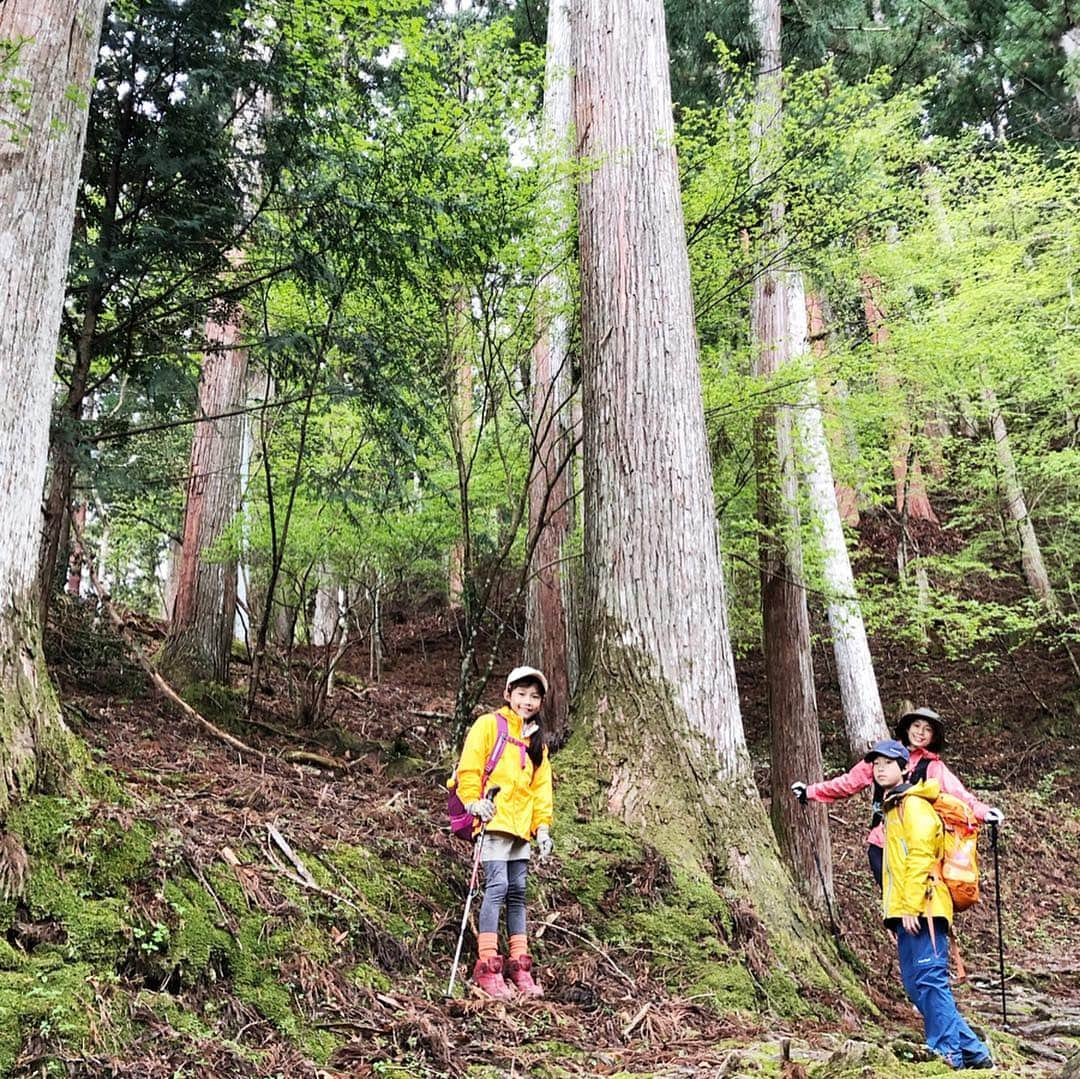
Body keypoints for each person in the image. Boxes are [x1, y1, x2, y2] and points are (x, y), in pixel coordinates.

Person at [870, 739, 994, 1070]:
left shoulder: (914, 804)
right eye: (876, 764)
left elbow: (923, 857)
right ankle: (974, 1051)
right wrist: (897, 912)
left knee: (929, 978)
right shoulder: (893, 806)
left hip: (924, 907)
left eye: (887, 763)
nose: (880, 768)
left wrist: (910, 906)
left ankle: (947, 1053)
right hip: (905, 910)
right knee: (915, 984)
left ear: (904, 768)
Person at [791, 706, 1004, 888]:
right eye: (917, 726)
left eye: (927, 729)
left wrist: (985, 813)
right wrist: (810, 791)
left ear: (933, 737)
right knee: (892, 901)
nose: (921, 733)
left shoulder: (933, 767)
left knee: (914, 902)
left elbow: (959, 797)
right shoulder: (883, 756)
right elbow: (849, 782)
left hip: (915, 848)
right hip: (881, 843)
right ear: (908, 728)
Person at [454, 665, 554, 999]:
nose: (527, 701)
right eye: (522, 694)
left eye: (534, 696)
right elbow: (469, 767)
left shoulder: (536, 742)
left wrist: (542, 828)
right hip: (493, 820)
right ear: (508, 693)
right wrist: (472, 802)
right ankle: (487, 966)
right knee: (497, 887)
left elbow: (541, 790)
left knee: (518, 893)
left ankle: (519, 967)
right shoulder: (489, 725)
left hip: (520, 829)